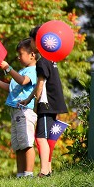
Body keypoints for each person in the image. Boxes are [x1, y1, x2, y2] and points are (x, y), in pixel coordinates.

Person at [0, 38, 38, 178]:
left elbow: (23, 81)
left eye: (21, 54)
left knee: (26, 143)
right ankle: (20, 175)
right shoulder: (22, 70)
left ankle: (29, 174)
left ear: (32, 54)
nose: (18, 57)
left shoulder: (34, 70)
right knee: (18, 145)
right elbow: (11, 88)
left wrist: (8, 68)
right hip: (15, 111)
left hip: (25, 111)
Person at [26, 26, 68, 177]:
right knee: (48, 137)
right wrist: (28, 99)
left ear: (38, 42)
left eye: (31, 40)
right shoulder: (51, 61)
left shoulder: (41, 62)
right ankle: (48, 169)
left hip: (46, 105)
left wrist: (35, 102)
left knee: (40, 137)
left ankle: (44, 171)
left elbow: (40, 84)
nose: (30, 43)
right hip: (54, 105)